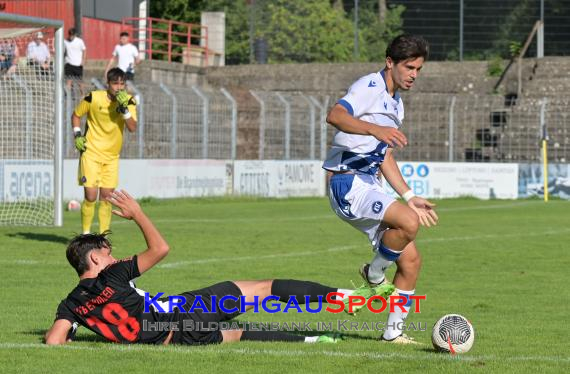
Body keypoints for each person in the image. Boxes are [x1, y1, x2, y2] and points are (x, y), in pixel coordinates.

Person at [45, 190, 393, 346]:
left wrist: (82, 328)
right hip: (184, 313)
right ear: (95, 259)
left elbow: (54, 341)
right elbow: (160, 249)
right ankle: (347, 299)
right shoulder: (112, 274)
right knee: (264, 289)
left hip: (176, 341)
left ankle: (319, 339)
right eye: (108, 252)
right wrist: (137, 214)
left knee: (239, 334)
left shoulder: (71, 303)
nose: (113, 257)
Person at [323, 35, 438, 344]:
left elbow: (384, 156)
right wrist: (375, 128)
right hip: (347, 182)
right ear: (390, 63)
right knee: (408, 223)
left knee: (411, 260)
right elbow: (334, 115)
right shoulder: (369, 86)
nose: (414, 74)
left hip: (368, 184)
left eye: (419, 69)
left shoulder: (396, 104)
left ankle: (393, 334)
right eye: (409, 67)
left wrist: (411, 197)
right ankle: (374, 274)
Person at [72, 68, 137, 234]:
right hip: (91, 153)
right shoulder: (93, 97)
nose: (119, 87)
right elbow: (76, 115)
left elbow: (132, 128)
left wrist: (124, 109)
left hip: (112, 157)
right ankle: (86, 235)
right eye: (115, 83)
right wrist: (77, 134)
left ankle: (103, 237)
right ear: (108, 84)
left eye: (122, 84)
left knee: (107, 198)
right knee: (91, 196)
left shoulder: (129, 101)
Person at [64, 28, 87, 94]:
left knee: (80, 83)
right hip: (69, 64)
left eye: (72, 35)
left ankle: (83, 96)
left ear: (75, 35)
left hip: (78, 65)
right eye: (70, 35)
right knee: (69, 81)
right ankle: (68, 97)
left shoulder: (80, 41)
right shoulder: (65, 41)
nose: (71, 36)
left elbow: (84, 50)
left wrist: (83, 60)